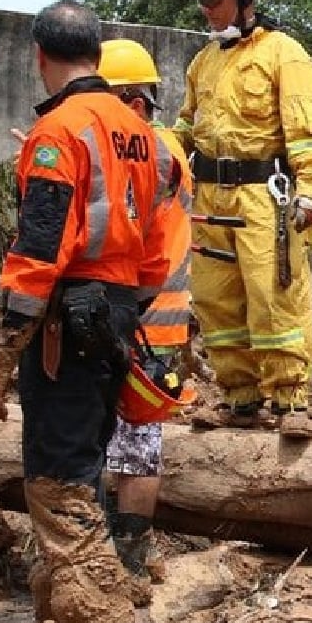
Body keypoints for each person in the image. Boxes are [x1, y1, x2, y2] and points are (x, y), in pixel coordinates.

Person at [0, 0, 177, 623]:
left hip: (65, 324)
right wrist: (123, 315)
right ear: (96, 53)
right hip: (113, 319)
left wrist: (5, 351)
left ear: (40, 55)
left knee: (59, 482)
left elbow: (37, 251)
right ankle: (54, 622)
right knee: (79, 467)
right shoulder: (145, 137)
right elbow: (157, 250)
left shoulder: (59, 133)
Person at [173, 0, 312, 438]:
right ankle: (240, 399)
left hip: (262, 198)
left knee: (274, 298)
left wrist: (311, 194)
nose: (206, 9)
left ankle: (291, 402)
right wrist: (159, 151)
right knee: (216, 300)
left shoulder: (284, 55)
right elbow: (187, 127)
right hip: (209, 199)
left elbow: (308, 137)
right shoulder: (203, 62)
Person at [98, 38, 193, 579]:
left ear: (132, 102)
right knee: (131, 443)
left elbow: (119, 230)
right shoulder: (162, 147)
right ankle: (123, 553)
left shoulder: (150, 153)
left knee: (134, 445)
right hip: (150, 320)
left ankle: (128, 560)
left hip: (142, 321)